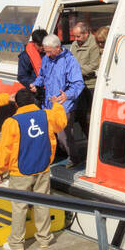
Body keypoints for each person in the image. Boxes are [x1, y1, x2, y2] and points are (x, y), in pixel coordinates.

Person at [0, 89, 67, 250]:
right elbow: (61, 123)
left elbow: (5, 149)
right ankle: (45, 239)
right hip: (43, 166)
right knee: (42, 202)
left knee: (19, 207)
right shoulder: (46, 115)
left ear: (16, 104)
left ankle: (16, 244)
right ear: (33, 101)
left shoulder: (12, 122)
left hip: (20, 171)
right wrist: (57, 105)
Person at [34, 34, 84, 164]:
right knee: (47, 133)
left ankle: (74, 158)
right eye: (46, 52)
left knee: (64, 136)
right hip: (49, 103)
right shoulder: (46, 58)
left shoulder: (70, 61)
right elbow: (42, 75)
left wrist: (67, 95)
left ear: (57, 48)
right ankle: (49, 157)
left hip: (64, 104)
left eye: (49, 52)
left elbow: (78, 84)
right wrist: (36, 84)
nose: (47, 54)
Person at [68, 22, 102, 150]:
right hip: (78, 85)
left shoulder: (93, 45)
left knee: (90, 116)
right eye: (74, 36)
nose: (75, 39)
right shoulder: (75, 44)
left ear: (86, 34)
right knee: (80, 115)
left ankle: (93, 144)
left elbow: (94, 65)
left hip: (90, 84)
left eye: (78, 36)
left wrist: (75, 71)